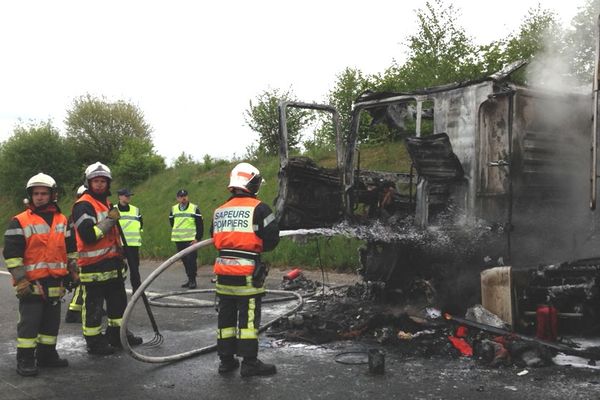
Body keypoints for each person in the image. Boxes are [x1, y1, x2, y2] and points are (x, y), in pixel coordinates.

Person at [3, 173, 78, 376]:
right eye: (36, 193)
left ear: (52, 195)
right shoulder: (19, 221)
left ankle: (47, 355)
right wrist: (20, 280)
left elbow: (71, 249)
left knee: (50, 322)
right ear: (31, 195)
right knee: (29, 323)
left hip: (55, 281)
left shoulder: (63, 220)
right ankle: (25, 359)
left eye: (44, 193)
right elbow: (12, 255)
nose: (39, 197)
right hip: (31, 283)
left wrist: (73, 271)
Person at [211, 162, 279, 377]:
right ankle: (249, 363)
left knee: (226, 319)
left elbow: (215, 238)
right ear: (253, 183)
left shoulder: (220, 210)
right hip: (247, 275)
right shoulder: (260, 208)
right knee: (248, 320)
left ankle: (226, 361)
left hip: (223, 273)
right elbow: (272, 239)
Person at [71, 162, 142, 355]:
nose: (100, 184)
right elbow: (88, 235)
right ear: (89, 182)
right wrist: (110, 220)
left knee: (118, 303)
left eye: (103, 181)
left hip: (112, 264)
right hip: (93, 267)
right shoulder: (83, 205)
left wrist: (123, 257)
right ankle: (94, 341)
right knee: (93, 306)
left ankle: (117, 335)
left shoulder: (106, 204)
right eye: (96, 181)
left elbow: (114, 236)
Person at [169, 189, 203, 289]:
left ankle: (193, 280)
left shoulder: (194, 208)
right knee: (184, 261)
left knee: (191, 260)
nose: (184, 198)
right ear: (177, 198)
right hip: (179, 240)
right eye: (181, 196)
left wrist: (197, 238)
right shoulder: (174, 209)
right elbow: (172, 222)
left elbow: (200, 224)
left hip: (191, 240)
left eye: (185, 196)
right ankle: (189, 279)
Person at [65, 185, 87, 323]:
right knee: (82, 282)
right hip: (77, 255)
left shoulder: (72, 215)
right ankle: (73, 311)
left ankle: (83, 306)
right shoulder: (76, 216)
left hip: (75, 254)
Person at [116, 188, 143, 293]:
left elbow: (141, 223)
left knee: (135, 269)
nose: (128, 197)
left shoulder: (135, 210)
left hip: (133, 244)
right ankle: (118, 290)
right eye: (126, 196)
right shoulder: (113, 210)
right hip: (118, 244)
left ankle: (136, 290)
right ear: (120, 197)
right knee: (118, 268)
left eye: (129, 195)